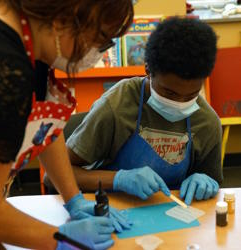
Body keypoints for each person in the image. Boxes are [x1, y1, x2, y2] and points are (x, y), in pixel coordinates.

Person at [0, 0, 133, 249]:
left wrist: (74, 199)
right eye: (101, 39)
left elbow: (45, 127)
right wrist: (61, 240)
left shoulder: (35, 45)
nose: (99, 53)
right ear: (63, 18)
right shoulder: (4, 67)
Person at [65, 17, 223, 205]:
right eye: (169, 92)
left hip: (175, 218)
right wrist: (118, 179)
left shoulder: (207, 122)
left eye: (191, 95)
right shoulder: (117, 105)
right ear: (148, 69)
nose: (179, 102)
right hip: (115, 210)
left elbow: (214, 187)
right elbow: (55, 176)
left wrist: (206, 183)